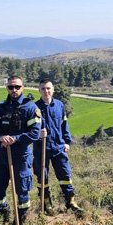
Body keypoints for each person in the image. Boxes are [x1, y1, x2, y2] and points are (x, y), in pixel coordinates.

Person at [0, 76, 41, 225]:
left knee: (22, 190)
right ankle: (3, 212)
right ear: (7, 88)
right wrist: (0, 137)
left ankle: (19, 221)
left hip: (21, 156)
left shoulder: (30, 108)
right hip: (1, 156)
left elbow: (35, 133)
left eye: (17, 87)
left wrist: (15, 139)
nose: (14, 90)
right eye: (11, 87)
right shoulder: (0, 108)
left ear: (23, 87)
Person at [33, 80, 84, 215]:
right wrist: (38, 134)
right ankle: (47, 205)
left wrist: (67, 141)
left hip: (58, 147)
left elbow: (64, 125)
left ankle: (70, 202)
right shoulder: (34, 108)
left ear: (53, 89)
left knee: (65, 175)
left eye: (48, 88)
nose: (46, 91)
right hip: (41, 149)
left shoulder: (60, 105)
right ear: (39, 91)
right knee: (42, 177)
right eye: (43, 89)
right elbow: (29, 129)